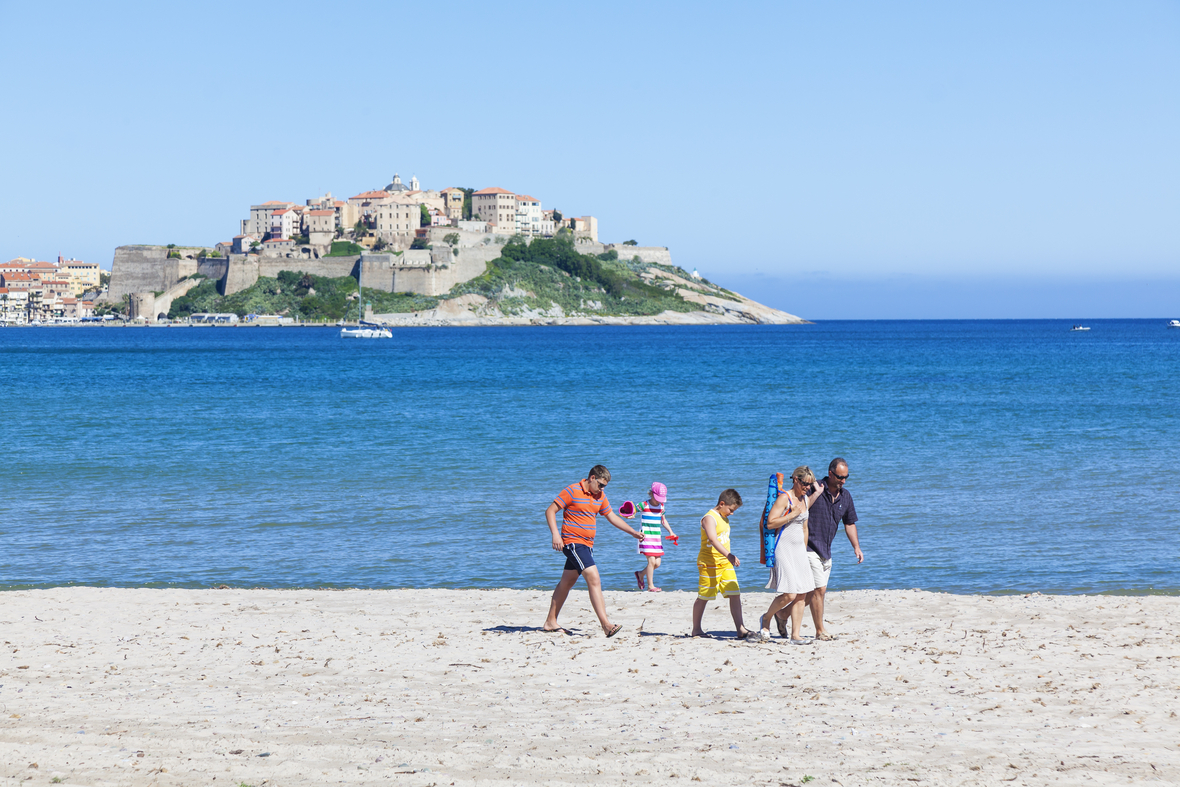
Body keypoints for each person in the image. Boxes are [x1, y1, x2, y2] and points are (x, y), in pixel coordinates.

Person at [542, 465, 643, 637]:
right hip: (573, 543)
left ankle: (551, 622)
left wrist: (632, 532)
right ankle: (606, 625)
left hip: (587, 545)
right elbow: (550, 511)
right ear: (592, 478)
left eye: (605, 486)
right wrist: (555, 535)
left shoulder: (600, 496)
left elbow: (611, 516)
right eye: (601, 485)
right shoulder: (572, 491)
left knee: (567, 582)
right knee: (594, 578)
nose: (602, 489)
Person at [755, 467, 824, 643]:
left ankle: (795, 635)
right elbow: (770, 523)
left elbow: (804, 527)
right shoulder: (784, 498)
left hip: (799, 549)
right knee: (790, 594)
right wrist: (792, 515)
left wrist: (804, 548)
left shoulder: (806, 501)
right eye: (804, 484)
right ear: (795, 479)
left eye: (810, 485)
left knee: (802, 593)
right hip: (783, 548)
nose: (807, 487)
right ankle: (767, 618)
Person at [801, 457, 863, 641]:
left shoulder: (846, 496)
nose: (843, 481)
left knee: (811, 593)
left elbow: (849, 523)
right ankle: (820, 631)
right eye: (839, 477)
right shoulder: (815, 488)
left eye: (846, 477)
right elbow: (799, 508)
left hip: (826, 550)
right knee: (819, 590)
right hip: (808, 546)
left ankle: (781, 616)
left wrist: (856, 547)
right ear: (830, 473)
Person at [691, 489, 751, 639]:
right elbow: (712, 539)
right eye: (731, 509)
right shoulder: (709, 518)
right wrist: (729, 555)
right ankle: (696, 629)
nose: (732, 513)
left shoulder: (724, 517)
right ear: (722, 504)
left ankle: (740, 628)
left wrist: (728, 558)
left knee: (734, 593)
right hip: (709, 563)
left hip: (725, 564)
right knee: (704, 596)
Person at [632, 482, 678, 592]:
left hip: (656, 538)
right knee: (651, 562)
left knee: (657, 563)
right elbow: (633, 510)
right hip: (645, 537)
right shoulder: (644, 505)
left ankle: (640, 574)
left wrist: (671, 532)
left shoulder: (661, 506)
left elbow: (663, 520)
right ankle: (650, 586)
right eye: (657, 498)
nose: (659, 500)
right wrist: (631, 515)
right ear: (651, 494)